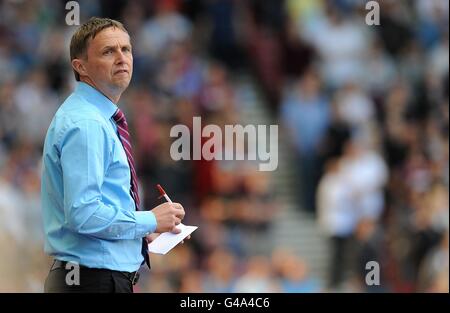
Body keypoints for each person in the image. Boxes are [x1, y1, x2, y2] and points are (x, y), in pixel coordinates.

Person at [41, 17, 187, 293]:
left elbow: (97, 207)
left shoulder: (97, 116)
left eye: (126, 49)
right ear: (80, 66)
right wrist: (150, 220)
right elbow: (83, 213)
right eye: (109, 51)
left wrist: (140, 231)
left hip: (95, 279)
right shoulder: (87, 123)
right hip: (92, 282)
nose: (122, 58)